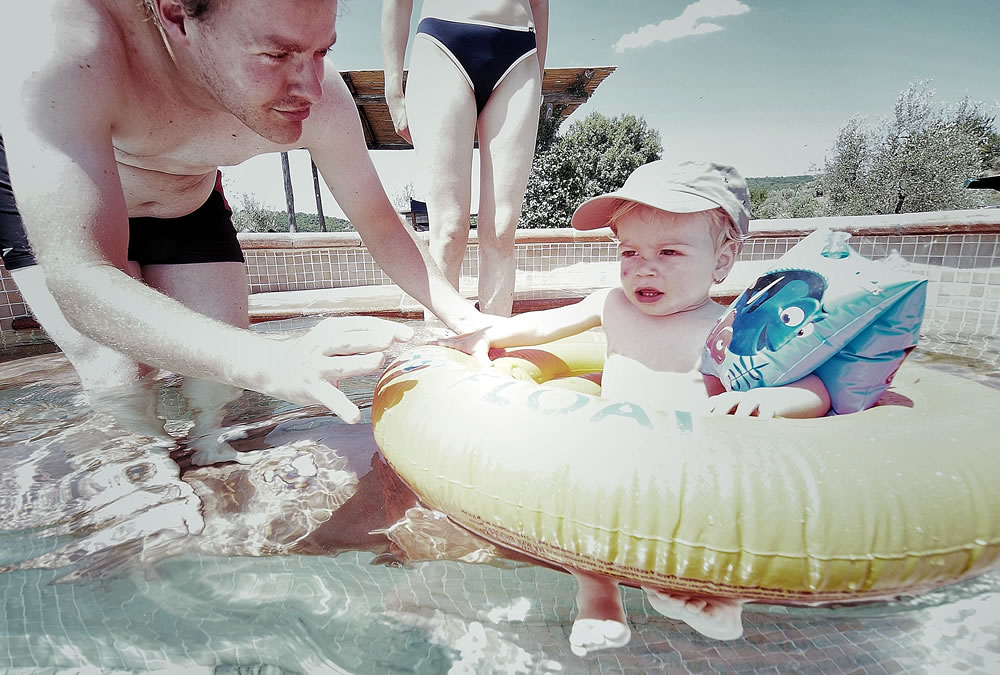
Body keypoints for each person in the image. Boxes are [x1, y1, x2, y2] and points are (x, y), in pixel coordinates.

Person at [0, 0, 492, 462]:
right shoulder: (64, 46)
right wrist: (269, 361)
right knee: (122, 372)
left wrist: (472, 322)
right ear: (176, 15)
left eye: (322, 51)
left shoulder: (324, 98)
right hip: (64, 201)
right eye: (276, 54)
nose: (310, 88)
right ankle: (140, 491)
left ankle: (218, 479)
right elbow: (81, 279)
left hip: (188, 203)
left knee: (217, 386)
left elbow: (381, 226)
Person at [440, 159, 831, 654]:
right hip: (617, 456)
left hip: (692, 464)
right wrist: (469, 336)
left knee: (719, 513)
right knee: (579, 495)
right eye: (630, 251)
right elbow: (539, 327)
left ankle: (713, 593)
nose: (644, 266)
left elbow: (816, 390)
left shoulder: (734, 327)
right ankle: (597, 592)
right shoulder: (612, 305)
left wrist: (769, 401)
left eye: (668, 251)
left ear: (723, 258)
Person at [381, 0, 548, 318]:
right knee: (449, 230)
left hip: (520, 53)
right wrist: (393, 90)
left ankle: (496, 349)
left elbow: (540, 3)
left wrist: (536, 80)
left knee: (501, 229)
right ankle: (439, 354)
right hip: (443, 43)